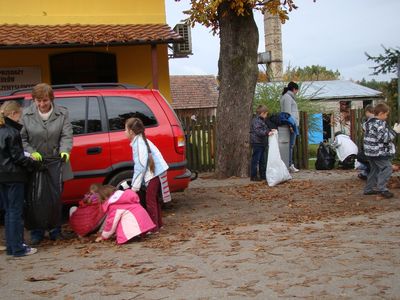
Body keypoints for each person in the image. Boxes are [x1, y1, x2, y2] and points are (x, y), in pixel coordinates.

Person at [20, 83, 73, 245]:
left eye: (45, 100)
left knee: (55, 198)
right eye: (38, 101)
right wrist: (30, 151)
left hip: (57, 161)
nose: (42, 104)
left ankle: (55, 230)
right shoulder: (25, 115)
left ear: (51, 99)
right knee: (35, 199)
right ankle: (37, 231)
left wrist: (65, 150)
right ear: (33, 100)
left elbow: (66, 135)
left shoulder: (62, 113)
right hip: (34, 163)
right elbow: (21, 139)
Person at [0, 101, 43, 256]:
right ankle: (18, 247)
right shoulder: (12, 132)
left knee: (8, 211)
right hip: (14, 176)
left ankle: (12, 246)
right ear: (13, 114)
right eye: (20, 115)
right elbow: (17, 157)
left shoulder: (2, 130)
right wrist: (32, 164)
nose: (20, 118)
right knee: (15, 211)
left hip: (2, 176)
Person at [125, 117, 169, 231]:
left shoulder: (138, 143)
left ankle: (153, 227)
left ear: (131, 131)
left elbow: (140, 165)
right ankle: (158, 224)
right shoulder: (140, 141)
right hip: (158, 171)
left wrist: (134, 187)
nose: (124, 132)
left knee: (150, 200)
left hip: (155, 173)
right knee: (154, 199)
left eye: (125, 129)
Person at [363, 102, 400, 198]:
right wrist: (395, 131)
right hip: (378, 152)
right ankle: (382, 189)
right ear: (380, 114)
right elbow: (384, 138)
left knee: (374, 170)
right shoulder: (379, 123)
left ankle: (369, 189)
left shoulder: (369, 122)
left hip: (369, 151)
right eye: (386, 114)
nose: (387, 117)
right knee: (387, 168)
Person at [250, 105, 274, 181]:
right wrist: (267, 133)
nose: (266, 115)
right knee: (256, 160)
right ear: (262, 113)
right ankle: (253, 176)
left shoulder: (261, 120)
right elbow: (258, 131)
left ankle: (262, 175)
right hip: (257, 143)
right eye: (266, 114)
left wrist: (270, 130)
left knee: (262, 160)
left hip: (262, 143)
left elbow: (264, 129)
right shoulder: (256, 121)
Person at [280, 81, 300, 173]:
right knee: (290, 145)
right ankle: (289, 164)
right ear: (294, 89)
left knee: (290, 145)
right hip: (291, 125)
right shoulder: (288, 98)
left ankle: (288, 164)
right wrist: (291, 125)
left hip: (292, 124)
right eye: (297, 90)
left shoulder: (287, 97)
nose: (297, 92)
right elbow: (287, 113)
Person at [356, 104, 375, 179]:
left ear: (368, 112)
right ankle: (366, 174)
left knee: (365, 159)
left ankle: (367, 174)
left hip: (370, 147)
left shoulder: (368, 123)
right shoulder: (369, 122)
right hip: (371, 147)